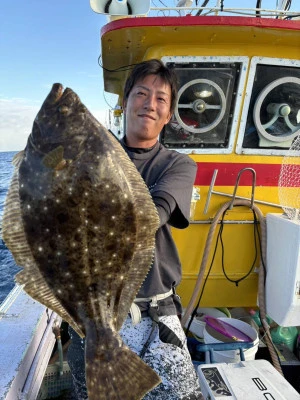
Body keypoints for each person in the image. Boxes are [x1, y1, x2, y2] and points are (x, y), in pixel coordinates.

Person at [68, 59, 203, 400]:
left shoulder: (177, 165)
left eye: (161, 98)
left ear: (169, 114)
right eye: (142, 93)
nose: (150, 103)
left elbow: (150, 217)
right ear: (124, 102)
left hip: (157, 316)